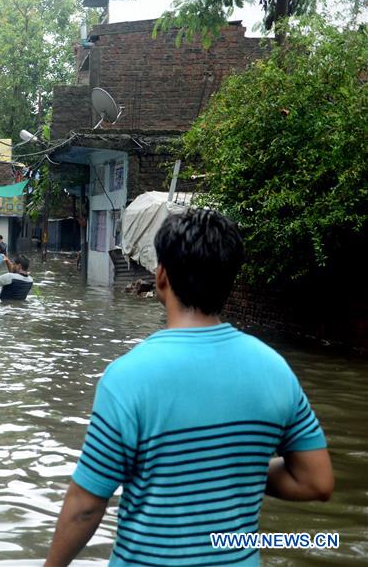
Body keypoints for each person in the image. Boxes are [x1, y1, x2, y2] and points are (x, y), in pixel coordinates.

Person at [45, 209, 333, 566]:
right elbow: (316, 481)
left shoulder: (127, 377)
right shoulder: (276, 370)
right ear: (230, 280)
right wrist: (240, 467)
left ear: (161, 276)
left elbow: (86, 506)